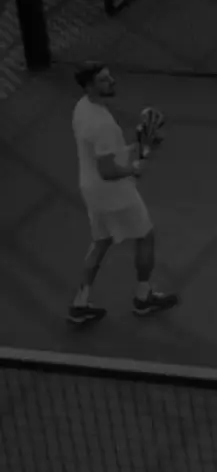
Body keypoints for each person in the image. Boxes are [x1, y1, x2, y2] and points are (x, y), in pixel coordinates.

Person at [67, 62, 178, 326]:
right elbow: (108, 170)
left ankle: (79, 304)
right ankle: (143, 297)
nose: (112, 81)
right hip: (113, 192)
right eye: (104, 80)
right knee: (146, 236)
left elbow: (103, 156)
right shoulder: (102, 124)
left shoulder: (82, 107)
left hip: (91, 190)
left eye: (110, 77)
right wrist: (134, 168)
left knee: (101, 242)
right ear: (90, 85)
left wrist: (137, 147)